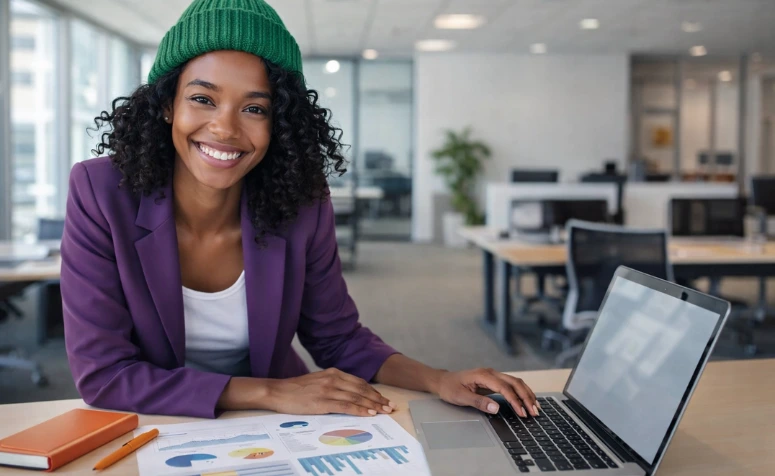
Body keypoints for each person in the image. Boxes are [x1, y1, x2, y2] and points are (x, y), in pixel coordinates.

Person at [61, 0, 539, 420]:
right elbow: (105, 374)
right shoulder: (100, 192)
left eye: (254, 108)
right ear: (167, 105)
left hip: (271, 425)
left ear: (280, 122)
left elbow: (337, 337)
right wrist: (269, 392)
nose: (225, 128)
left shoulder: (300, 203)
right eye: (203, 99)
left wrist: (438, 379)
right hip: (158, 420)